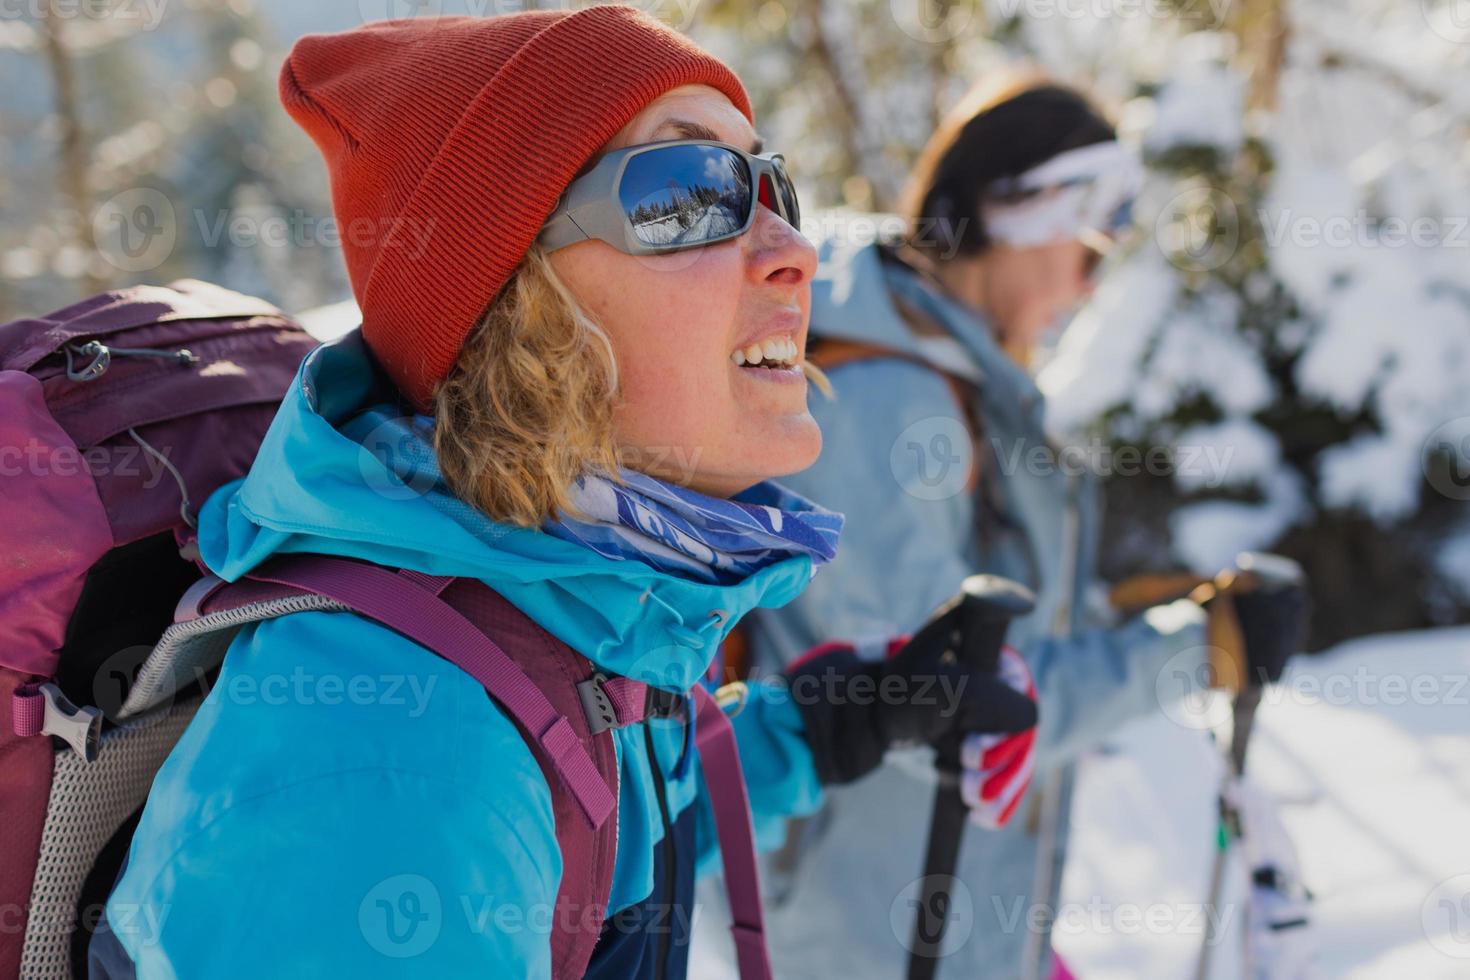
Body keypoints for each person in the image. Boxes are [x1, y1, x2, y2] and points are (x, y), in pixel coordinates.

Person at [86, 10, 1038, 978]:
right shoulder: (393, 765)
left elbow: (600, 838)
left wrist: (846, 716)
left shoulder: (556, 605)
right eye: (690, 193)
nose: (795, 246)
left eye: (772, 185)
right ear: (517, 303)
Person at [738, 75, 1308, 979]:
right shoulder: (890, 400)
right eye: (1088, 249)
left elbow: (997, 628)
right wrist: (1198, 647)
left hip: (956, 904)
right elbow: (948, 699)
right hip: (875, 930)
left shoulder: (956, 376)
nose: (1089, 286)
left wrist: (1143, 607)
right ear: (1008, 216)